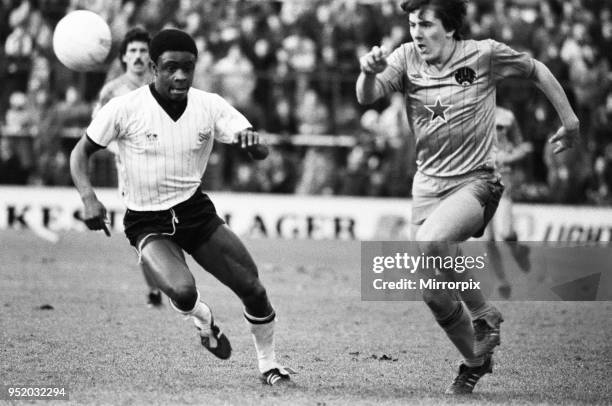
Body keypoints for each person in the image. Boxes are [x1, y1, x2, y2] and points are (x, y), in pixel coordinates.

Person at [356, 0, 579, 395]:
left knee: (432, 241)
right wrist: (366, 73)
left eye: (425, 25)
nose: (417, 33)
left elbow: (537, 70)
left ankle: (483, 313)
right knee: (433, 293)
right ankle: (475, 361)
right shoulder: (406, 57)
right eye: (412, 24)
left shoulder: (484, 54)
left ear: (450, 27)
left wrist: (570, 121)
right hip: (426, 187)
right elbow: (366, 97)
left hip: (477, 181)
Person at [70, 29, 291, 385]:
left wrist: (255, 147)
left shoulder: (209, 105)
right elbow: (80, 152)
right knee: (183, 291)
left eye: (188, 67)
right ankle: (204, 321)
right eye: (172, 67)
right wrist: (88, 197)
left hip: (195, 213)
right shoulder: (124, 108)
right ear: (154, 68)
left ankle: (269, 365)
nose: (181, 76)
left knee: (254, 289)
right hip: (147, 220)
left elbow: (256, 144)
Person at [92, 27, 162, 307]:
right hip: (132, 174)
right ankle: (155, 289)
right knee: (144, 232)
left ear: (151, 56)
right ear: (123, 57)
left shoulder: (161, 87)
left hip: (166, 168)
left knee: (170, 232)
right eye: (132, 51)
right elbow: (97, 132)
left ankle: (169, 279)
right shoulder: (112, 91)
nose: (138, 56)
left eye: (143, 50)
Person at [484, 106, 533, 299]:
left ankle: (519, 249)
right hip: (478, 183)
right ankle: (501, 280)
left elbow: (523, 147)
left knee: (504, 233)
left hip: (502, 180)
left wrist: (509, 156)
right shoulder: (466, 114)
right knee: (487, 238)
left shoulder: (507, 117)